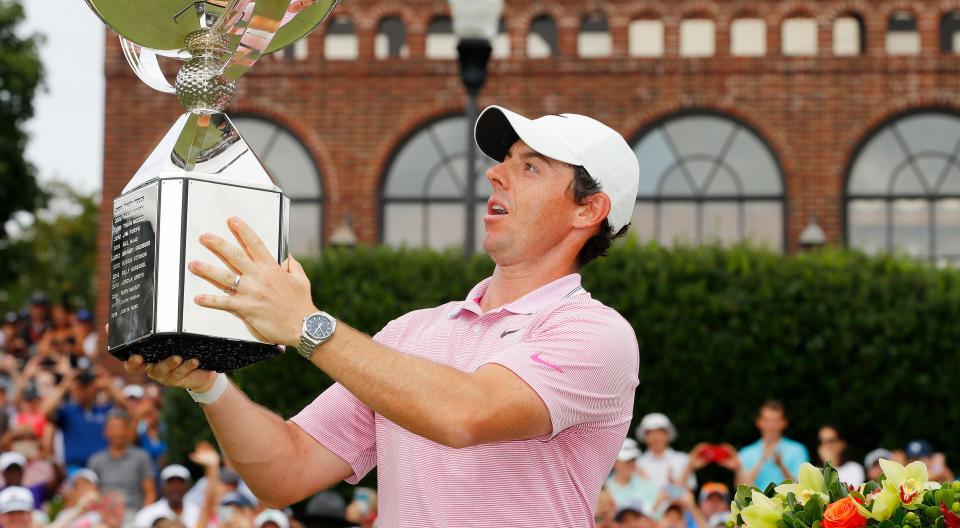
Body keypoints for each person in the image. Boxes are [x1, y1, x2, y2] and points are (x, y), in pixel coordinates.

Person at [125, 105, 642, 526]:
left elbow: (467, 414)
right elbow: (284, 471)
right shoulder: (409, 332)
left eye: (530, 167)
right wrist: (208, 382)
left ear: (588, 212)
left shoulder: (596, 334)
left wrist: (306, 325)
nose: (496, 173)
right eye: (506, 159)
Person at [42, 369, 129, 472]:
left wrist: (108, 384)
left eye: (86, 386)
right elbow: (45, 411)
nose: (81, 390)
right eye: (79, 387)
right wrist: (64, 385)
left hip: (104, 466)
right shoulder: (67, 411)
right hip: (76, 467)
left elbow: (126, 407)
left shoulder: (103, 409)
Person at [86, 410, 155, 513]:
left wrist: (143, 516)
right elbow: (90, 493)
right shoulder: (95, 460)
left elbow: (150, 492)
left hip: (133, 514)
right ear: (105, 432)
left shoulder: (141, 457)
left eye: (120, 427)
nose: (117, 432)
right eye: (112, 428)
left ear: (127, 431)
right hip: (104, 514)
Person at [736, 400, 809, 489]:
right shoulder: (745, 453)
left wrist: (781, 465)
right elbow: (741, 488)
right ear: (759, 422)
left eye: (775, 421)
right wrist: (762, 459)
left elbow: (802, 486)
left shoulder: (798, 450)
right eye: (767, 420)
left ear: (784, 423)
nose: (771, 425)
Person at [635, 413, 695, 491]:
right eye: (650, 433)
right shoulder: (636, 463)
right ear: (645, 437)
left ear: (668, 434)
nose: (655, 437)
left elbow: (689, 491)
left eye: (659, 433)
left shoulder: (683, 459)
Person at [133, 464, 199, 528]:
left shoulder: (197, 512)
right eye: (170, 483)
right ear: (162, 486)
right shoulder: (147, 514)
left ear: (187, 486)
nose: (175, 487)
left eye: (180, 483)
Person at [607, 439, 659, 514]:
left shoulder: (648, 486)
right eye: (626, 460)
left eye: (633, 460)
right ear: (614, 462)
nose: (630, 464)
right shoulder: (603, 488)